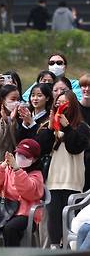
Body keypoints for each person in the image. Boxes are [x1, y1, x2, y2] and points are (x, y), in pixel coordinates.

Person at [39, 91, 90, 248]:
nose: (60, 106)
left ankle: (71, 254)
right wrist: (49, 128)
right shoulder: (50, 127)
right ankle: (55, 250)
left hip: (73, 181)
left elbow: (75, 147)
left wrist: (67, 127)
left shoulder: (82, 127)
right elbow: (41, 148)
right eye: (57, 103)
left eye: (64, 103)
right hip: (53, 181)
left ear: (72, 105)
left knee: (71, 222)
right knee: (54, 222)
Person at [0, 139, 45, 247]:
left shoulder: (36, 175)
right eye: (19, 154)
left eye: (25, 156)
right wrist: (2, 167)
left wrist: (17, 170)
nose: (20, 158)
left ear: (34, 159)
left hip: (24, 214)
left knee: (11, 228)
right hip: (4, 210)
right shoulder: (8, 170)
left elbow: (28, 191)